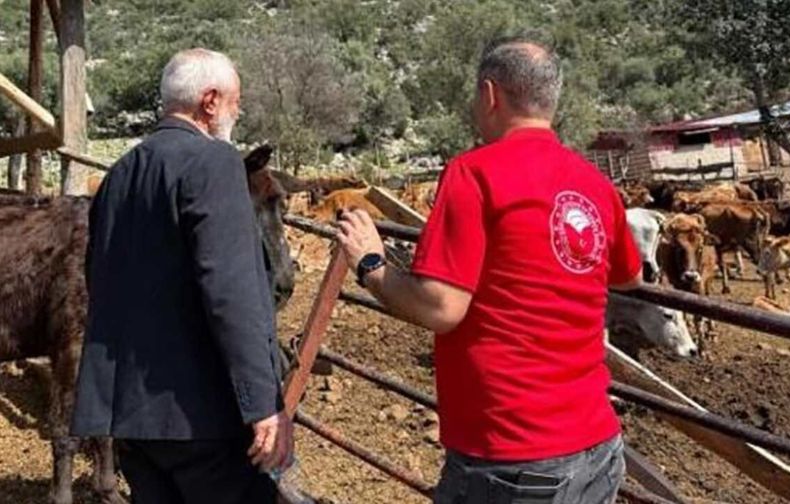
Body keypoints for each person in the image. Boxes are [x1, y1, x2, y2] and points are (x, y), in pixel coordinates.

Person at [336, 37, 642, 504]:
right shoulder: (595, 184)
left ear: (489, 94)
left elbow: (440, 307)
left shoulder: (473, 172)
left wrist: (371, 265)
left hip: (512, 454)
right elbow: (627, 276)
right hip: (598, 447)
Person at [72, 48, 290, 504]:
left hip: (131, 419)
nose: (238, 111)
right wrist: (262, 404)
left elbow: (99, 276)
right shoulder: (214, 163)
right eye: (235, 101)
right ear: (209, 102)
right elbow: (231, 293)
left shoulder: (120, 174)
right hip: (199, 417)